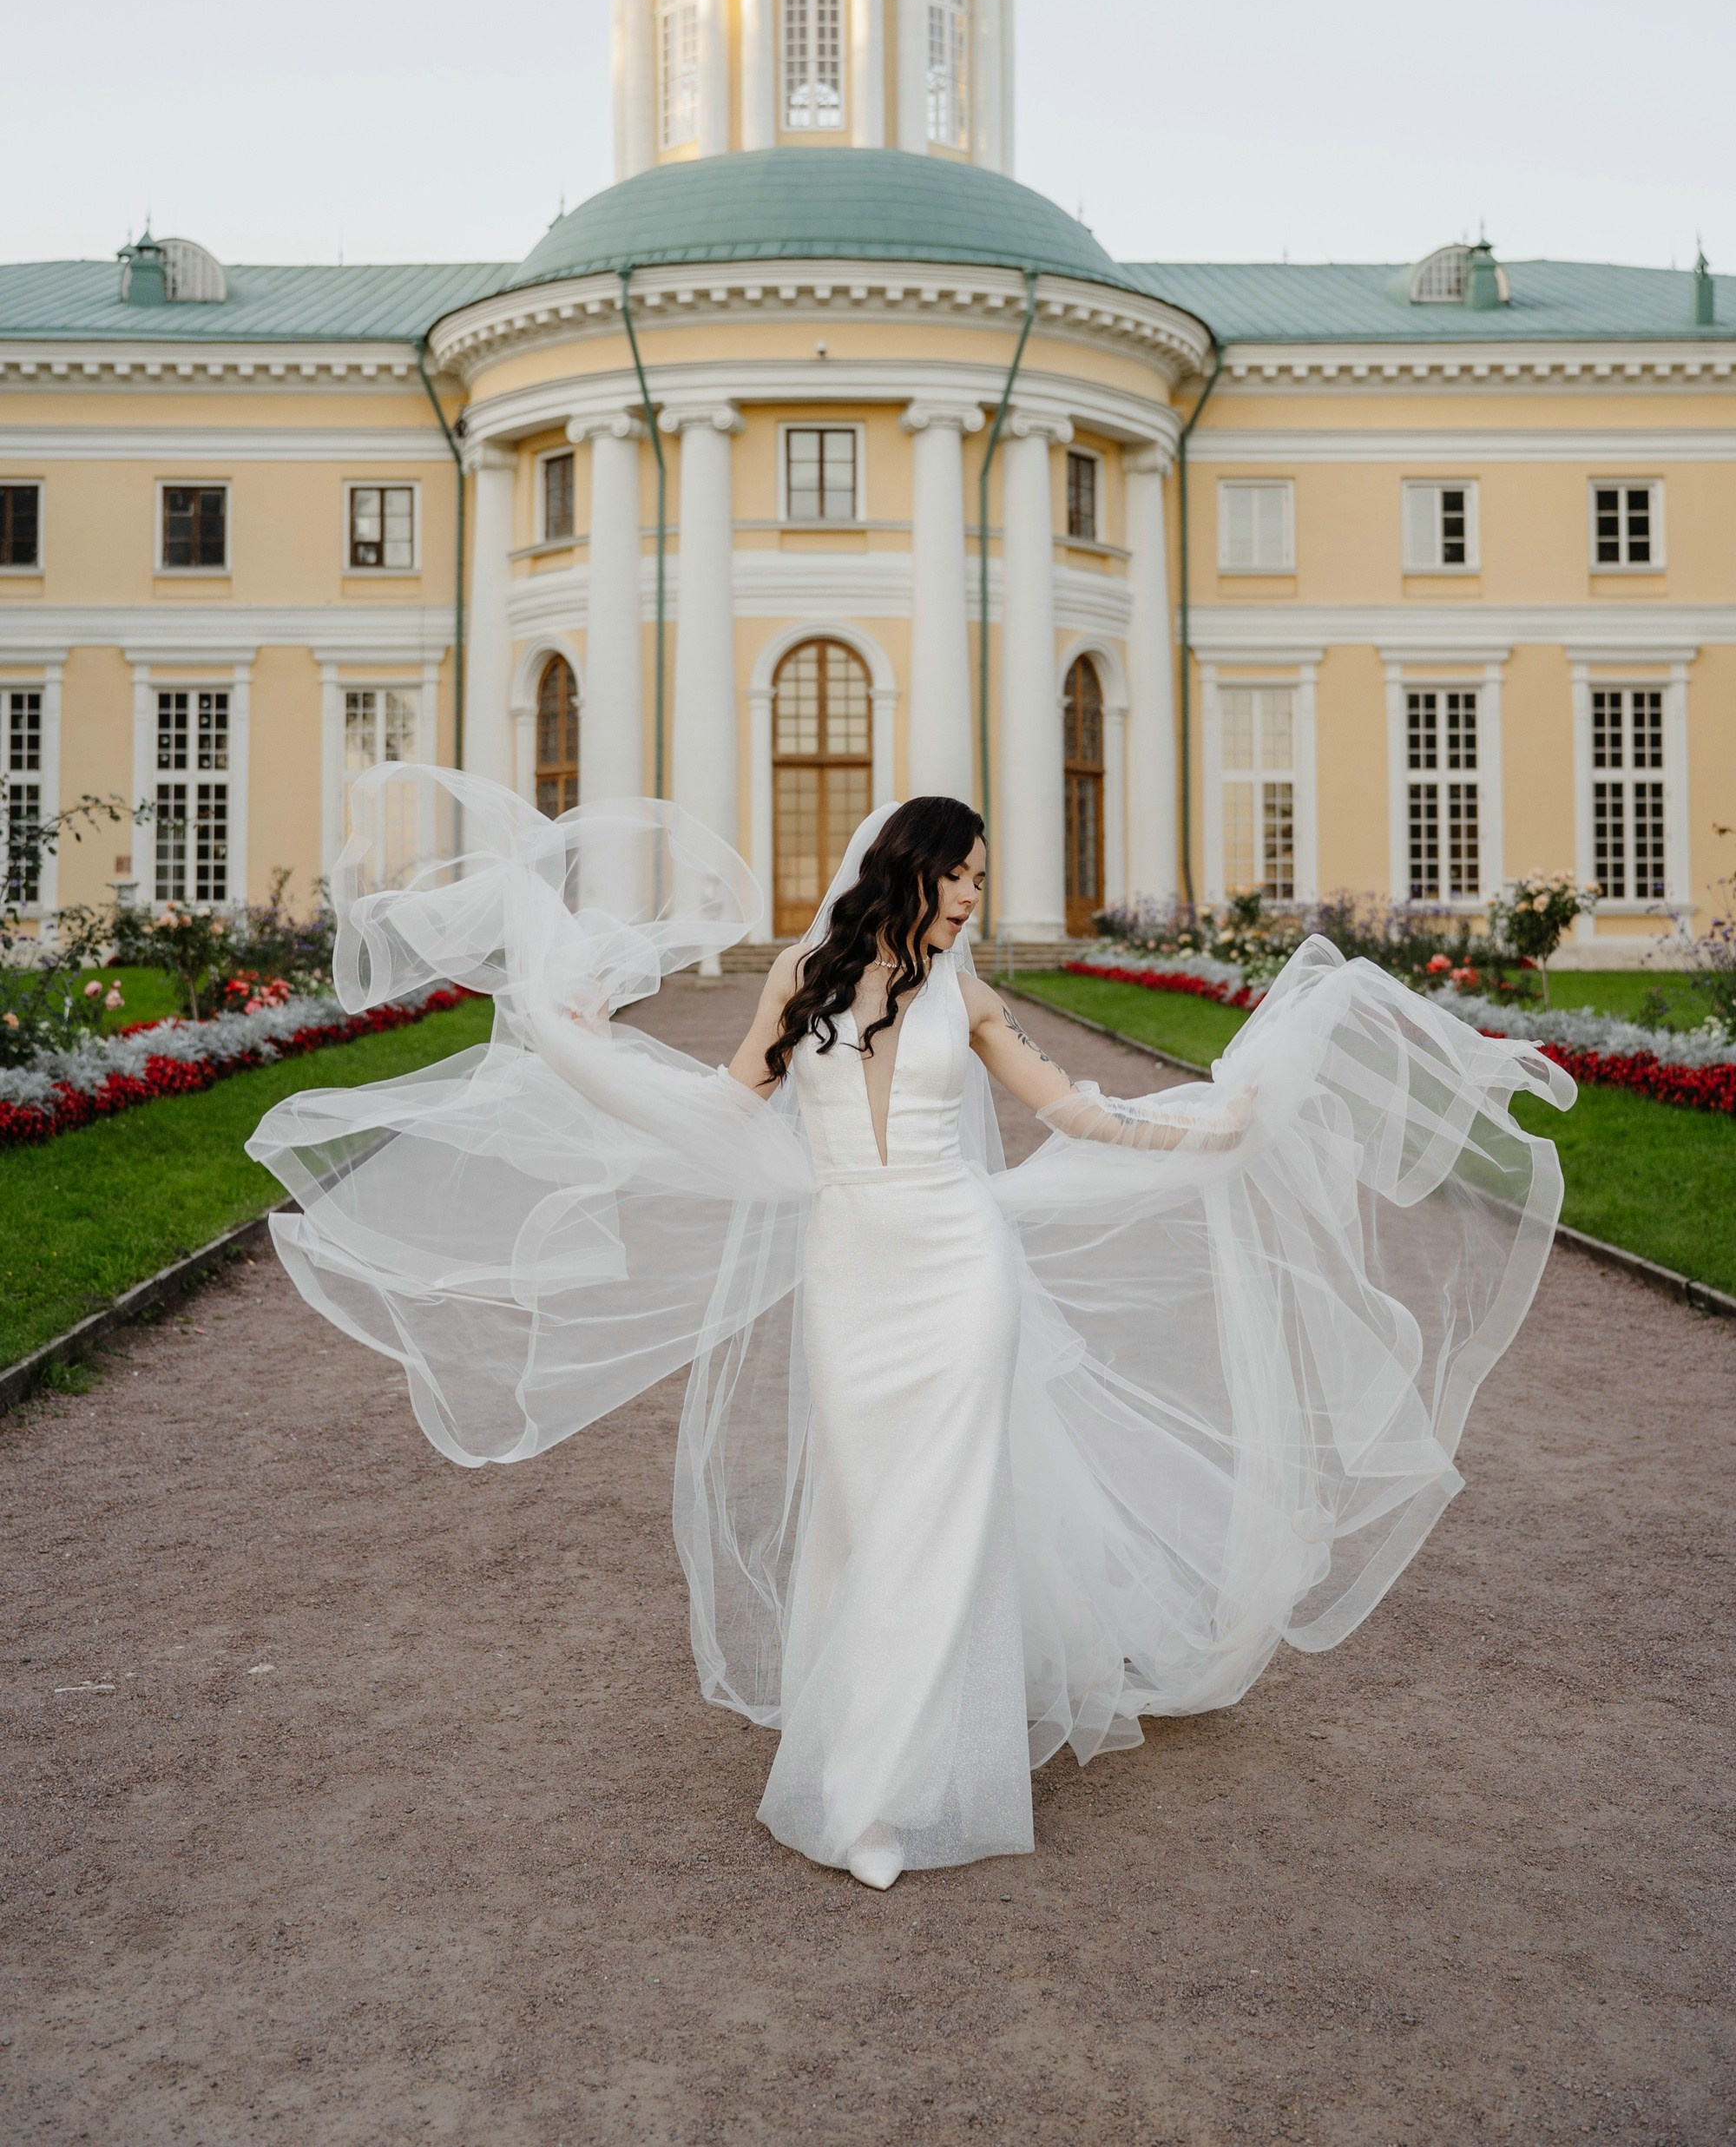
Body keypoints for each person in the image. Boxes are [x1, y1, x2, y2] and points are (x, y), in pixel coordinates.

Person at [250, 773, 1573, 1893]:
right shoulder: (801, 976)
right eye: (968, 878)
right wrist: (580, 1042)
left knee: (941, 1514)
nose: (977, 897)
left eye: (985, 883)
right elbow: (725, 1109)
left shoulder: (967, 992)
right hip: (852, 1267)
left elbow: (1068, 1107)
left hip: (961, 1267)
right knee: (868, 1516)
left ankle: (882, 1791)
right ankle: (862, 1752)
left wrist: (1200, 1123)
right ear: (920, 870)